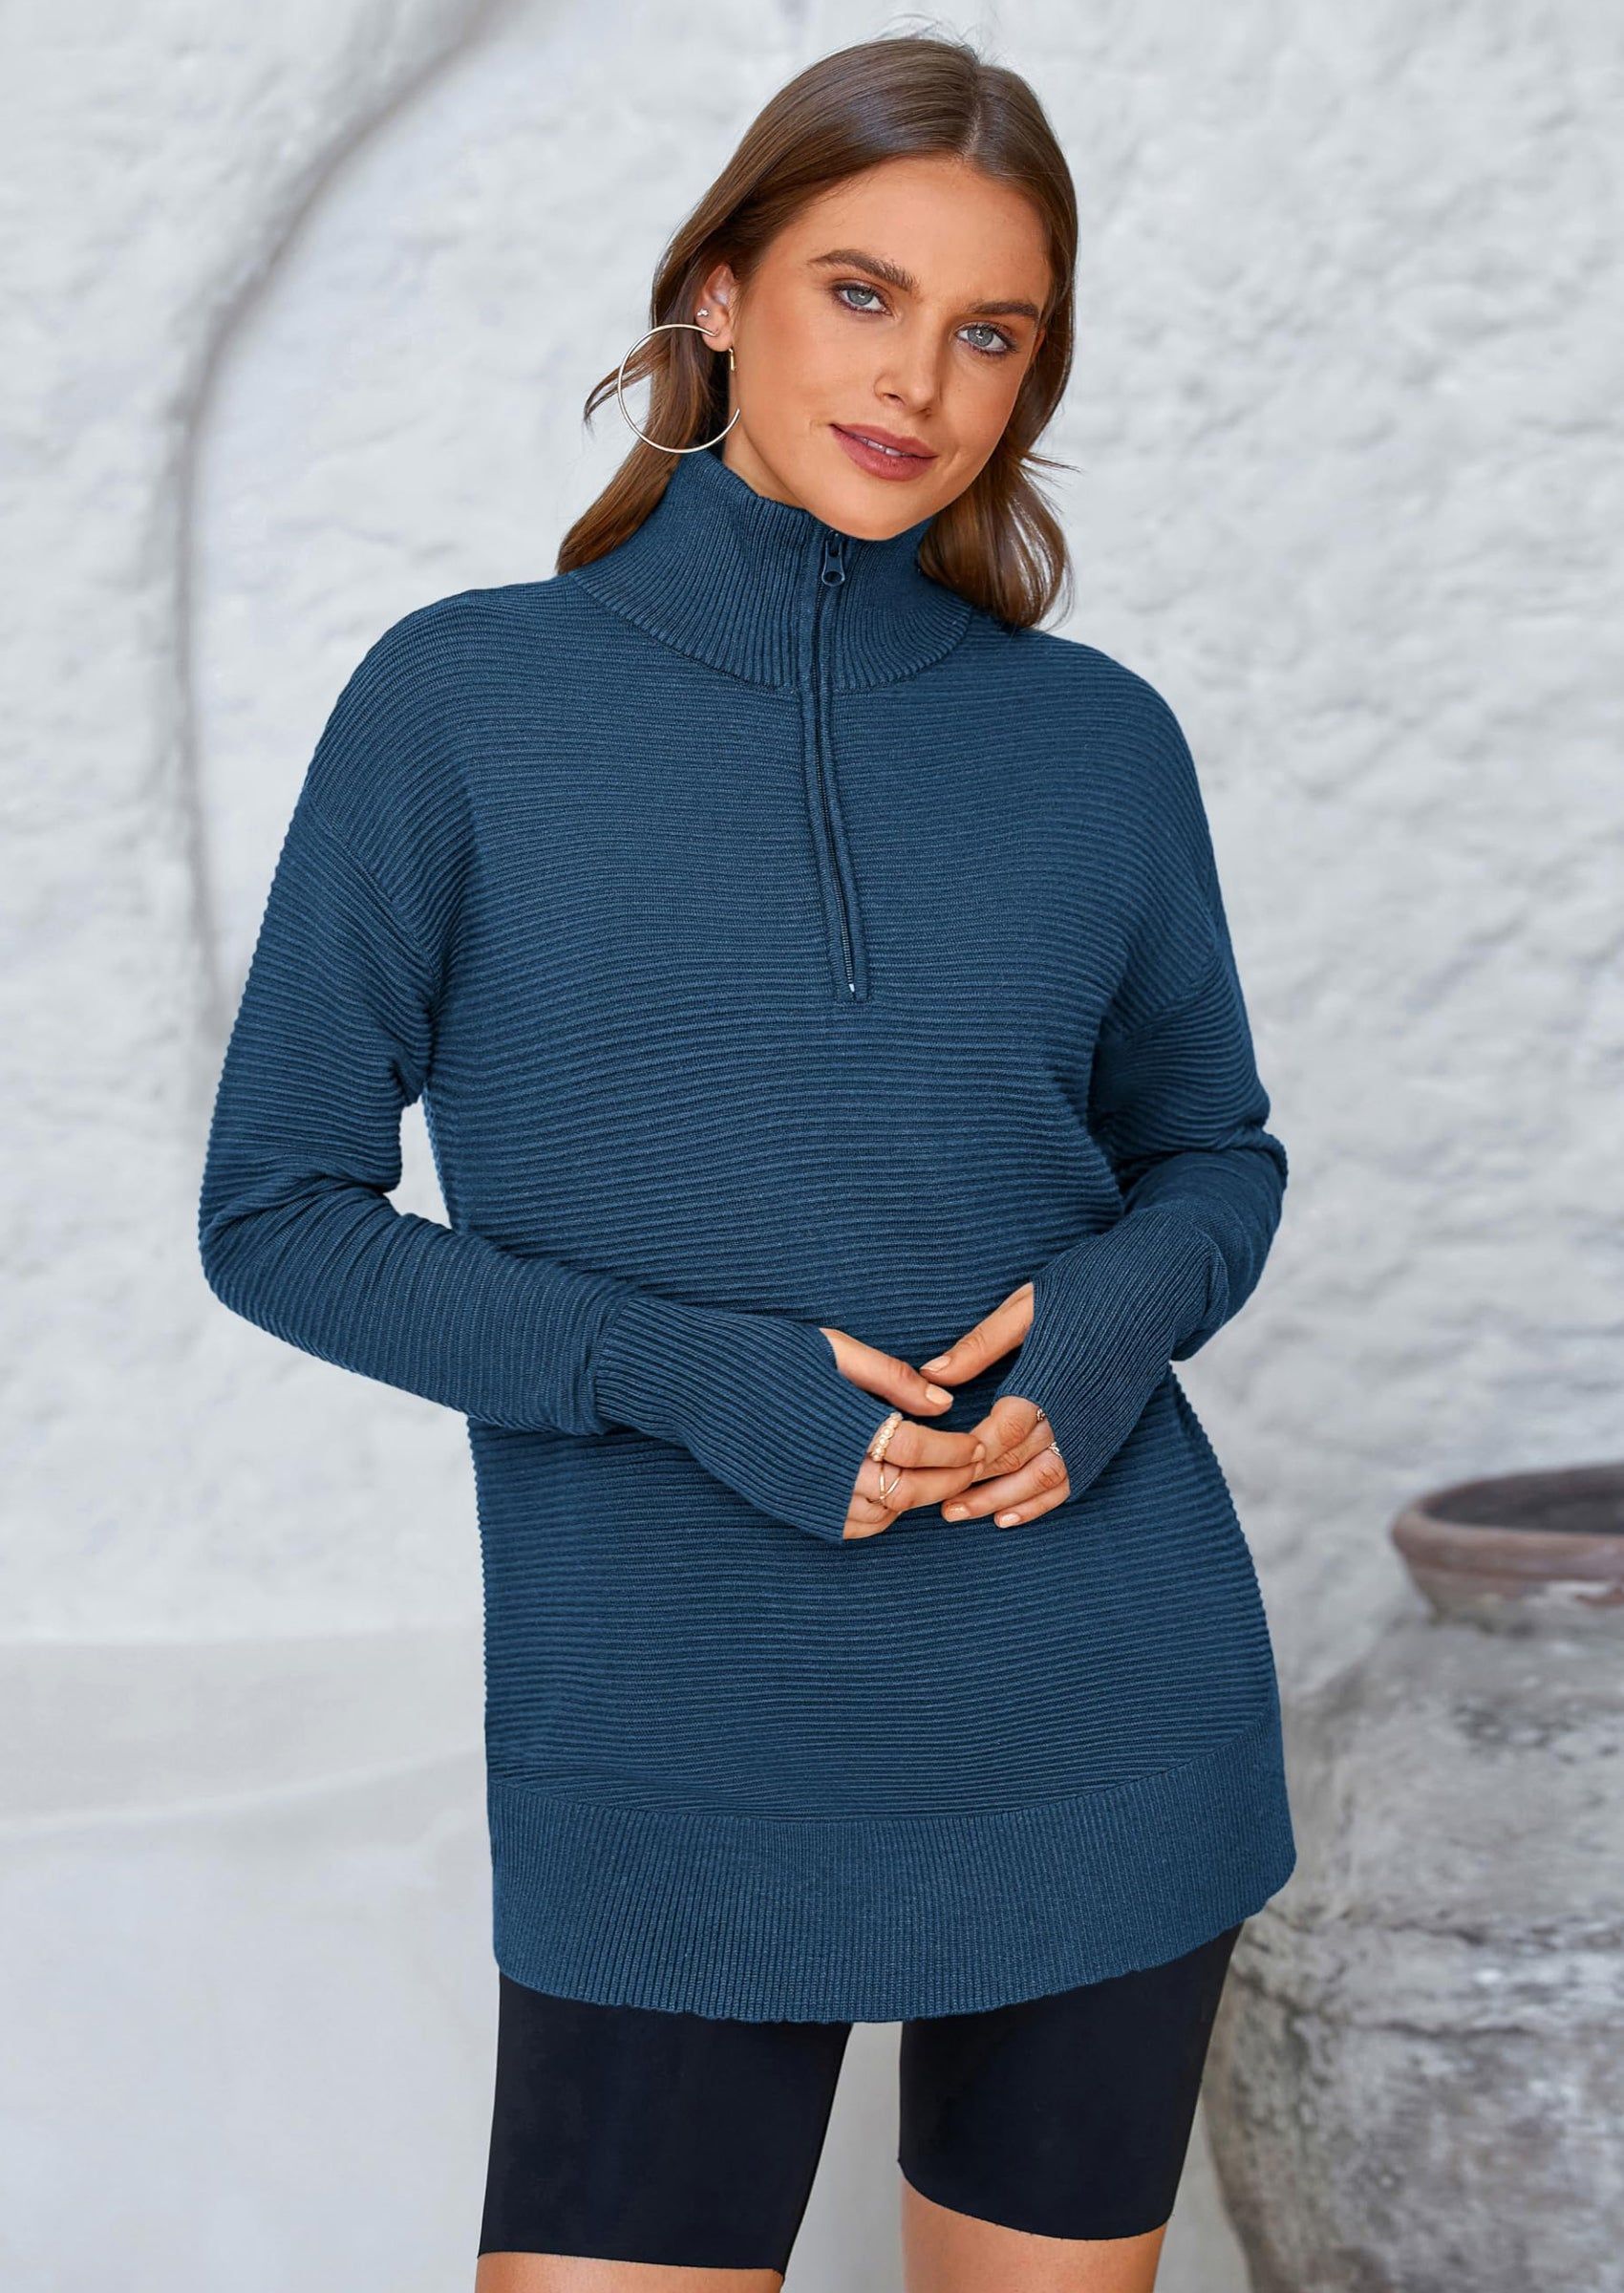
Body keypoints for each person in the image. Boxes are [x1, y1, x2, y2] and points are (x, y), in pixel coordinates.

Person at [197, 30, 1294, 2293]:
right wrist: (695, 1375)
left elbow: (1212, 1155)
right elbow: (277, 1215)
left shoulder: (1093, 743)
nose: (918, 380)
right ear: (717, 291)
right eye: (859, 294)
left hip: (1098, 1699)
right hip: (668, 1726)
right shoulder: (463, 705)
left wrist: (1096, 1335)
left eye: (989, 332)